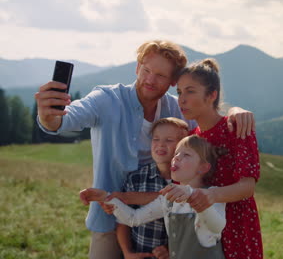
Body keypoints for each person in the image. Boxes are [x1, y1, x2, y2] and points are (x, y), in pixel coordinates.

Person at [34, 40, 255, 259]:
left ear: (171, 82)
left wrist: (236, 111)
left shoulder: (177, 108)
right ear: (137, 67)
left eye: (160, 75)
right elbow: (65, 119)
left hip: (164, 227)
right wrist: (48, 116)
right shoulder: (106, 99)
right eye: (146, 70)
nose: (150, 79)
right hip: (109, 217)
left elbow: (207, 124)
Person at [81, 135, 227, 259]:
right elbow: (134, 218)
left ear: (203, 167)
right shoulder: (168, 198)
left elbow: (217, 226)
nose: (176, 158)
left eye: (186, 155)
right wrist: (107, 197)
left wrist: (193, 195)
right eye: (176, 153)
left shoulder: (212, 194)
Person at [173, 58, 263, 258]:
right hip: (201, 228)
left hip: (235, 226)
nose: (182, 99)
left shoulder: (237, 129)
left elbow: (247, 187)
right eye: (179, 92)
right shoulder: (190, 138)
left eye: (190, 91)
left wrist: (211, 195)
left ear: (212, 95)